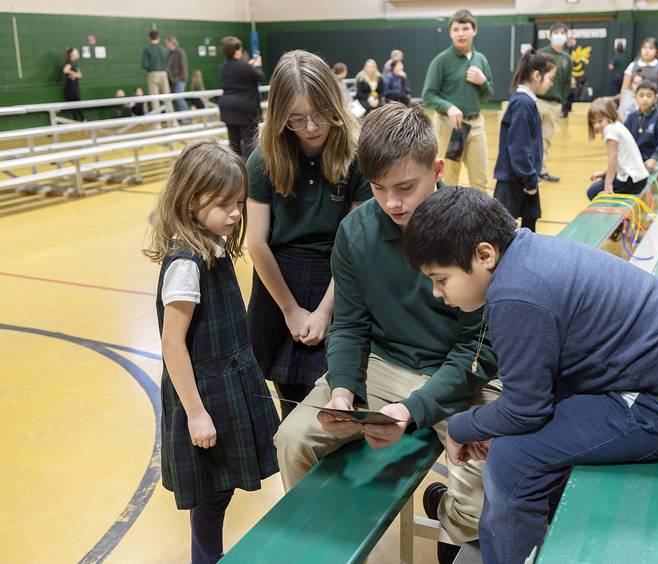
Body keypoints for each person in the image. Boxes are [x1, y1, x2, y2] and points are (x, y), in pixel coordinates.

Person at [402, 186, 658, 564]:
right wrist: (501, 422)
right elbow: (540, 390)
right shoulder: (527, 251)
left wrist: (462, 426)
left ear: (484, 255)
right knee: (528, 437)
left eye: (441, 279)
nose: (437, 292)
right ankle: (539, 526)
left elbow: (526, 410)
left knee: (512, 460)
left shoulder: (514, 297)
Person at [273, 103, 501, 564]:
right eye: (379, 189)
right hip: (384, 367)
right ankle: (328, 547)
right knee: (293, 439)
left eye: (405, 187)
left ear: (437, 170)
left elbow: (479, 349)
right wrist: (341, 390)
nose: (393, 203)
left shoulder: (472, 225)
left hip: (463, 376)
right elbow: (351, 326)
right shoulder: (354, 233)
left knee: (482, 473)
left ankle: (452, 535)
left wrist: (414, 408)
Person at [143, 140, 280, 564]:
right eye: (222, 204)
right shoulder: (186, 263)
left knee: (218, 493)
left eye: (238, 202)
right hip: (205, 394)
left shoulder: (212, 248)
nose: (236, 213)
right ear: (189, 202)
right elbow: (172, 344)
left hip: (229, 384)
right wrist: (196, 413)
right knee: (209, 500)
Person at [245, 50, 372, 420]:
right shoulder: (263, 160)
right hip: (279, 285)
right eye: (298, 120)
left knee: (339, 394)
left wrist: (324, 312)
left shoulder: (355, 155)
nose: (312, 127)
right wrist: (291, 311)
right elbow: (256, 243)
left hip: (339, 277)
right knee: (292, 402)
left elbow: (355, 245)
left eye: (320, 115)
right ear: (280, 117)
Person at [422, 9, 494, 193]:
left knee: (481, 181)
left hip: (476, 125)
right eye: (456, 29)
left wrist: (483, 82)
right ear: (450, 32)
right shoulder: (442, 61)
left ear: (474, 30)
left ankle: (482, 221)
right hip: (451, 127)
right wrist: (449, 107)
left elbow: (488, 96)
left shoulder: (481, 60)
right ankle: (448, 221)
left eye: (465, 28)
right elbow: (428, 95)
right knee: (448, 181)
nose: (461, 33)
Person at [493, 51, 556, 233]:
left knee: (530, 222)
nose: (551, 83)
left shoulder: (527, 101)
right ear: (537, 75)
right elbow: (519, 147)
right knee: (501, 232)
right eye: (550, 78)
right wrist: (529, 179)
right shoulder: (522, 103)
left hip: (524, 178)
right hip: (514, 180)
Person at [586, 97, 648, 200]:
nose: (596, 125)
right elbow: (621, 160)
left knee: (593, 192)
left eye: (600, 121)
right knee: (597, 187)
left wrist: (608, 186)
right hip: (639, 179)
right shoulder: (617, 125)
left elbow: (613, 158)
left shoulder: (610, 130)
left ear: (609, 117)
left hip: (632, 181)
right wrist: (605, 173)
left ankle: (616, 215)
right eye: (593, 122)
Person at [535, 22, 572, 183]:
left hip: (554, 104)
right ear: (550, 35)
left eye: (562, 32)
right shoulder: (541, 54)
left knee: (546, 138)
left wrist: (561, 100)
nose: (559, 35)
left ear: (566, 36)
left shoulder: (567, 58)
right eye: (555, 32)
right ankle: (530, 172)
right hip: (537, 100)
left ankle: (541, 170)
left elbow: (566, 82)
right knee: (532, 137)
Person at [218, 35, 264, 158]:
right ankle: (250, 172)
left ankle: (234, 172)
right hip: (245, 108)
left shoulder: (223, 66)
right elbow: (259, 76)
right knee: (250, 143)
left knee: (234, 144)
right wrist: (258, 66)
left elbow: (240, 72)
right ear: (235, 51)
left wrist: (249, 66)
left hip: (227, 108)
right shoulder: (244, 66)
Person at [624, 79, 658, 173]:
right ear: (635, 97)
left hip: (649, 162)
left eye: (649, 96)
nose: (644, 99)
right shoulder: (631, 117)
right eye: (641, 95)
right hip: (631, 163)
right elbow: (623, 142)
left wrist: (654, 158)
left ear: (656, 98)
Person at [141, 30, 174, 115]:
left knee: (155, 99)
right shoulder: (163, 49)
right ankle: (172, 121)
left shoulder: (147, 49)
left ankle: (157, 124)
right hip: (163, 73)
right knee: (167, 98)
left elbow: (145, 64)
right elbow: (168, 63)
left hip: (152, 74)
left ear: (149, 38)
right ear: (158, 38)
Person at [165, 36, 190, 113]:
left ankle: (187, 117)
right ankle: (180, 118)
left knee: (179, 98)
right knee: (175, 100)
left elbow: (184, 68)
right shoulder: (169, 54)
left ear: (171, 43)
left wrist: (178, 79)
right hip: (172, 81)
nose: (165, 45)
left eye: (166, 43)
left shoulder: (180, 52)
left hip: (180, 80)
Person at [62, 48, 85, 122]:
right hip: (70, 89)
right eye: (76, 52)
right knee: (75, 106)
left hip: (75, 88)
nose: (78, 54)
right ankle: (80, 120)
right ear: (72, 54)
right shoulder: (69, 63)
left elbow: (80, 75)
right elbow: (65, 70)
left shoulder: (75, 64)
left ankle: (82, 119)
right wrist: (72, 73)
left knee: (78, 105)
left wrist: (74, 73)